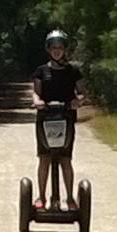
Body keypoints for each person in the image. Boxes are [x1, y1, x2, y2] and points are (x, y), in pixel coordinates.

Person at [32, 28, 85, 209]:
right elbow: (36, 94)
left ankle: (70, 198)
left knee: (65, 159)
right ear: (48, 49)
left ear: (64, 49)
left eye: (60, 47)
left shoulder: (73, 71)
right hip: (45, 118)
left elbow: (81, 93)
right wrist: (38, 102)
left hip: (66, 118)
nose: (57, 50)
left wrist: (76, 102)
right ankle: (41, 198)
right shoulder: (41, 71)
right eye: (53, 47)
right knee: (44, 158)